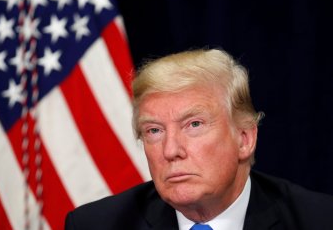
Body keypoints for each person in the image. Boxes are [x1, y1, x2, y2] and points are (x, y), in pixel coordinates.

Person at [65, 48, 333, 230]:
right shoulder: (96, 224)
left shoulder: (318, 220)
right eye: (154, 131)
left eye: (193, 124)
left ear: (244, 139)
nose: (170, 151)